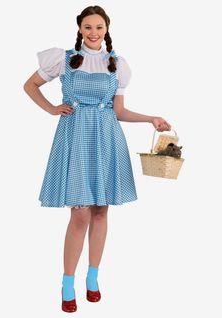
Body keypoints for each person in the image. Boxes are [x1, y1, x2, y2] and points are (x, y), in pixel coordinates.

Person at [24, 5, 171, 313]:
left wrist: (151, 119)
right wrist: (52, 108)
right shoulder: (63, 59)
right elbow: (30, 86)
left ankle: (93, 277)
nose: (93, 32)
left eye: (99, 27)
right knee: (79, 215)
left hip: (106, 137)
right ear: (80, 29)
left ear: (107, 29)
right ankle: (67, 282)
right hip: (75, 136)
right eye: (88, 27)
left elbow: (119, 112)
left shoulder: (116, 63)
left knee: (101, 212)